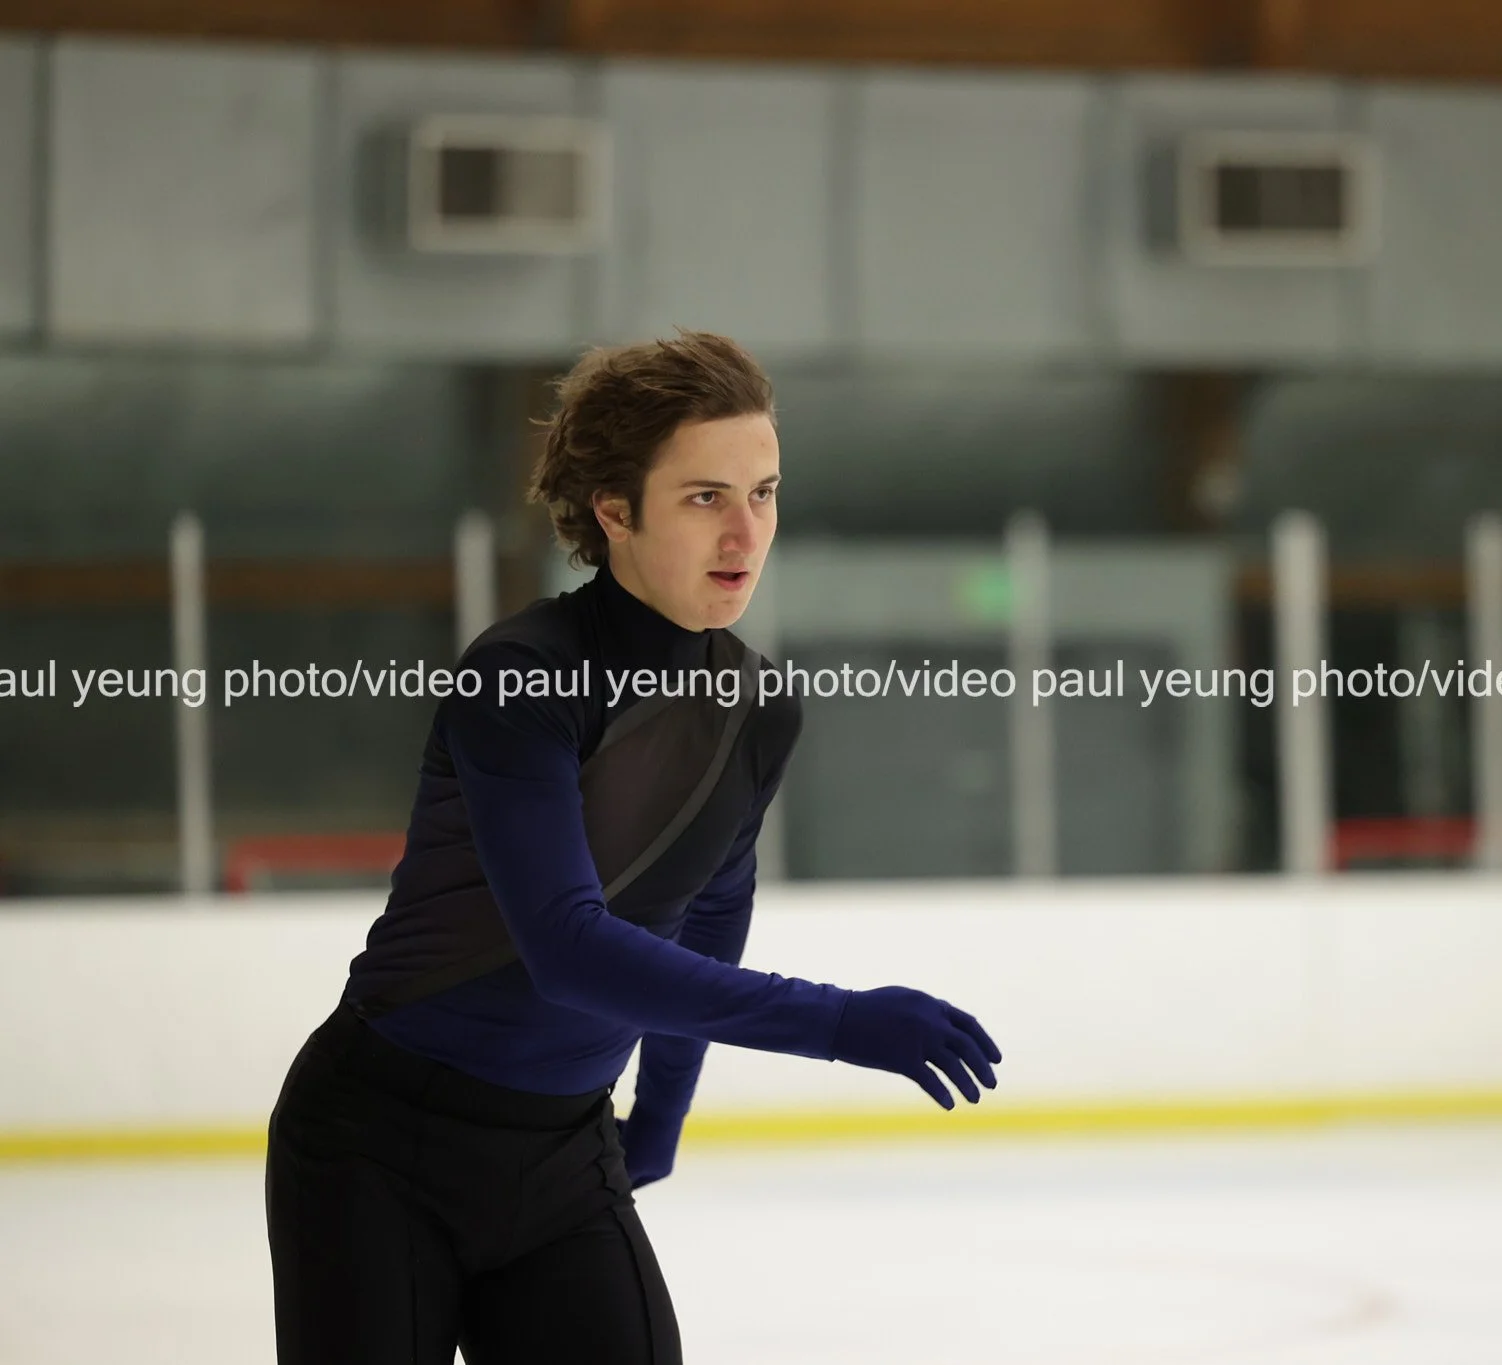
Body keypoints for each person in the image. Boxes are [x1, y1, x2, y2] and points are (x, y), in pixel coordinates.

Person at [264, 331, 1002, 1365]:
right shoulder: (523, 675)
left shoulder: (756, 708)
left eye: (764, 493)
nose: (745, 531)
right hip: (376, 1148)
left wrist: (660, 1110)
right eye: (705, 497)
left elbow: (709, 914)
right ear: (615, 511)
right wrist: (837, 1021)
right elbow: (566, 948)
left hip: (563, 1156)